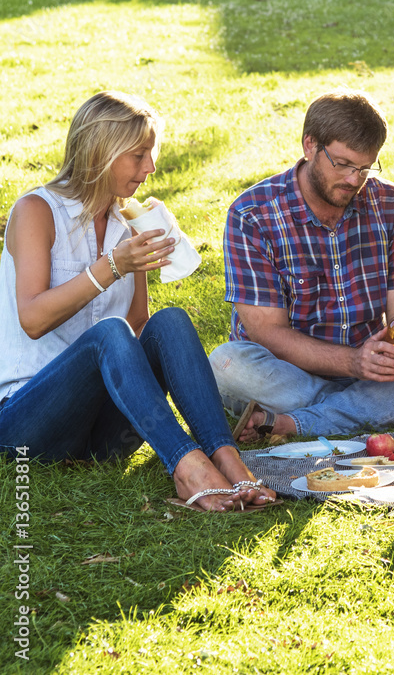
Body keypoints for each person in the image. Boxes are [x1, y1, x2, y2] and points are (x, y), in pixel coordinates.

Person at [0, 91, 277, 511]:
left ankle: (226, 457)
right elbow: (33, 319)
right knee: (108, 333)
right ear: (101, 153)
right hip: (28, 425)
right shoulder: (37, 210)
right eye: (139, 155)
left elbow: (142, 328)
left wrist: (155, 253)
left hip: (101, 439)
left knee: (170, 322)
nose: (150, 167)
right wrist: (113, 265)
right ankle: (188, 468)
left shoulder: (127, 226)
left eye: (151, 154)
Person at [209, 89, 394, 441]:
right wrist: (353, 362)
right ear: (310, 145)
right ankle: (384, 410)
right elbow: (267, 333)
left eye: (365, 167)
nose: (354, 179)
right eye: (343, 164)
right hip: (287, 371)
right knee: (227, 365)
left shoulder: (392, 205)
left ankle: (295, 422)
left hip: (371, 372)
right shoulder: (252, 214)